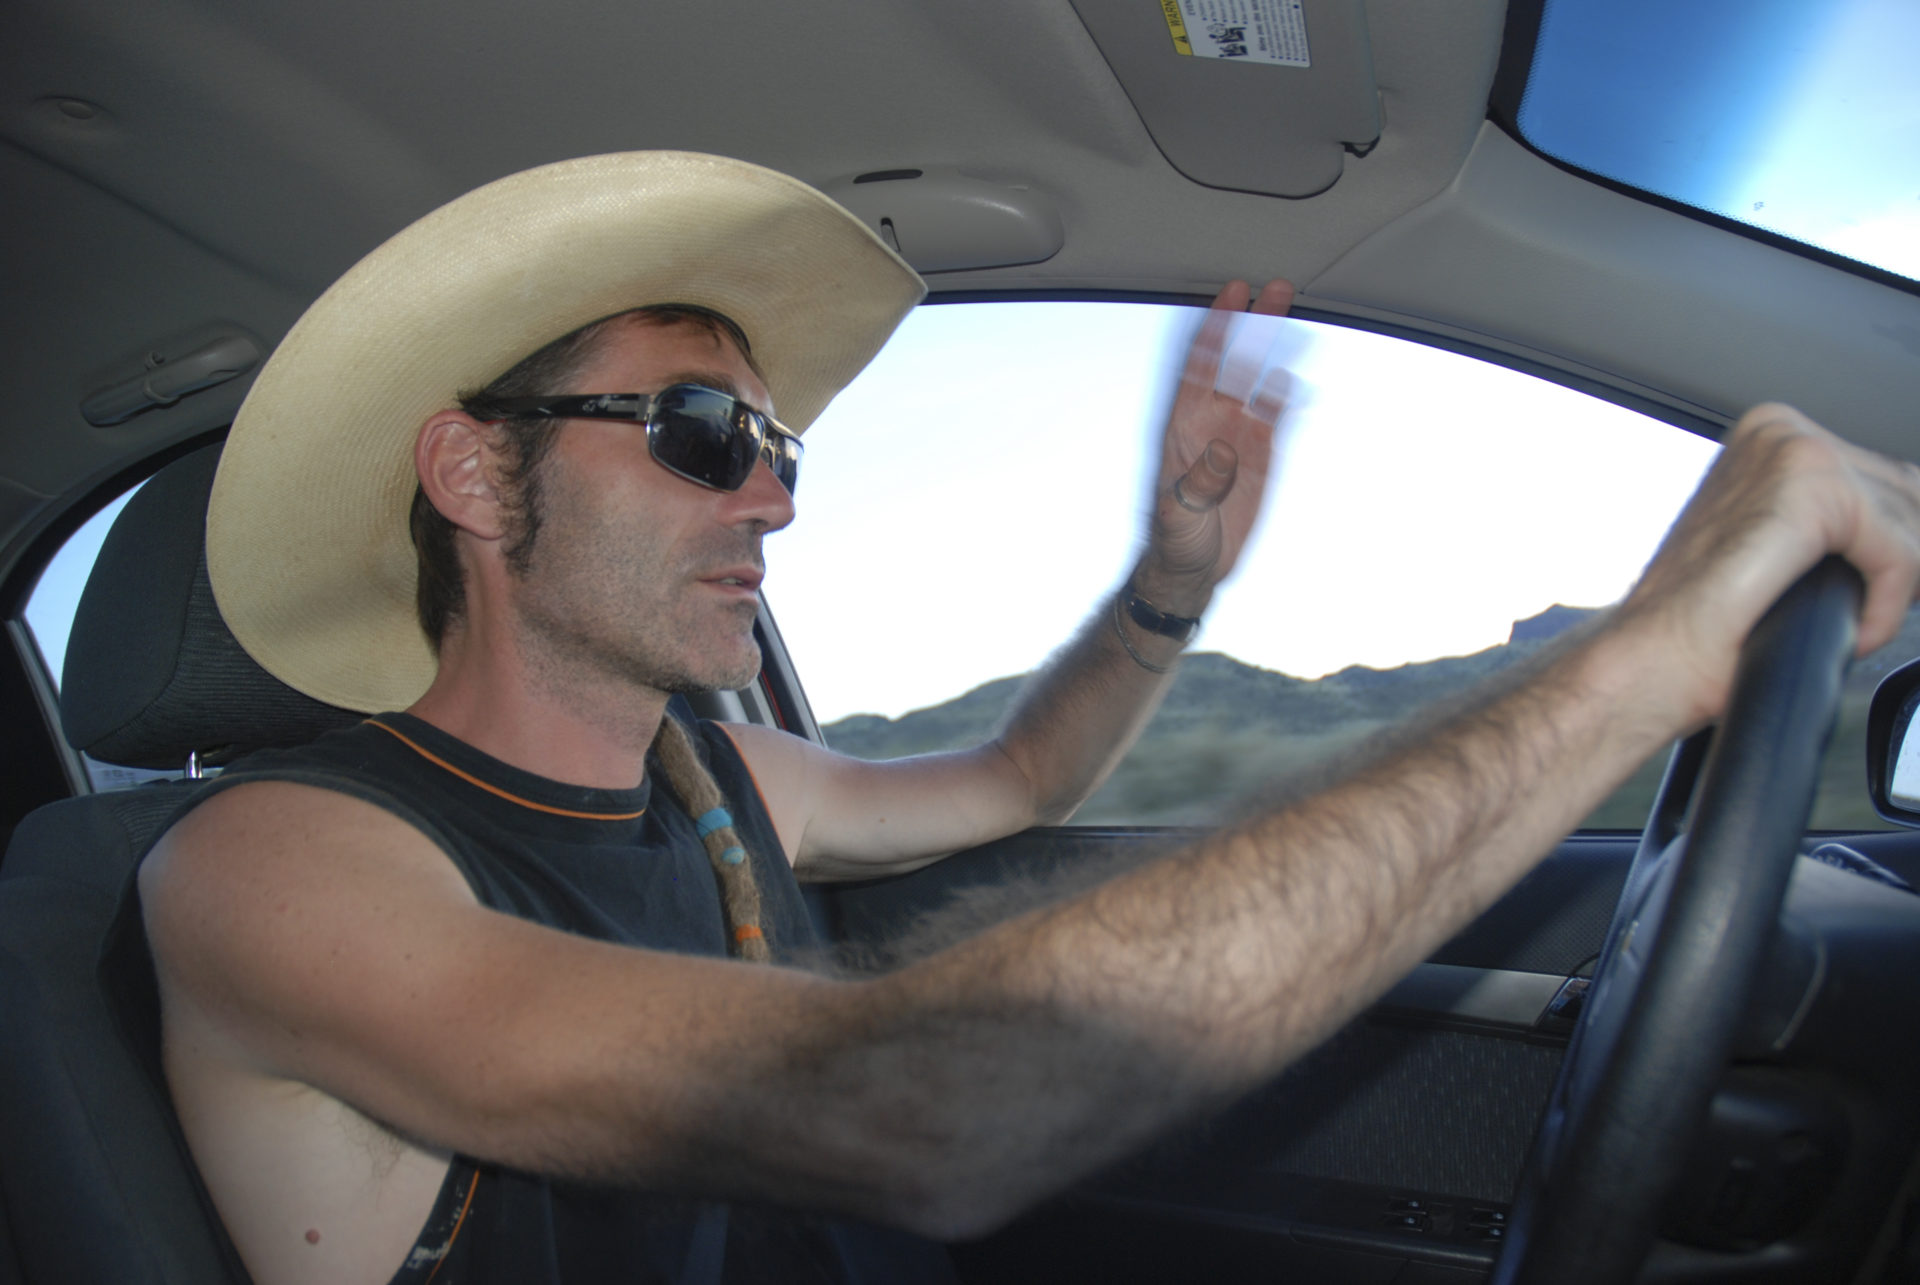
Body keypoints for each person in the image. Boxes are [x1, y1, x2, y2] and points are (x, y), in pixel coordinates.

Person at [138, 151, 1920, 1285]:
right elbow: (915, 1104)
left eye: (779, 447)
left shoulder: (713, 776)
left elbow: (1017, 776)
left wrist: (1172, 576)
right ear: (473, 473)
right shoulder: (273, 867)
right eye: (702, 431)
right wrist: (1632, 666)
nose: (773, 497)